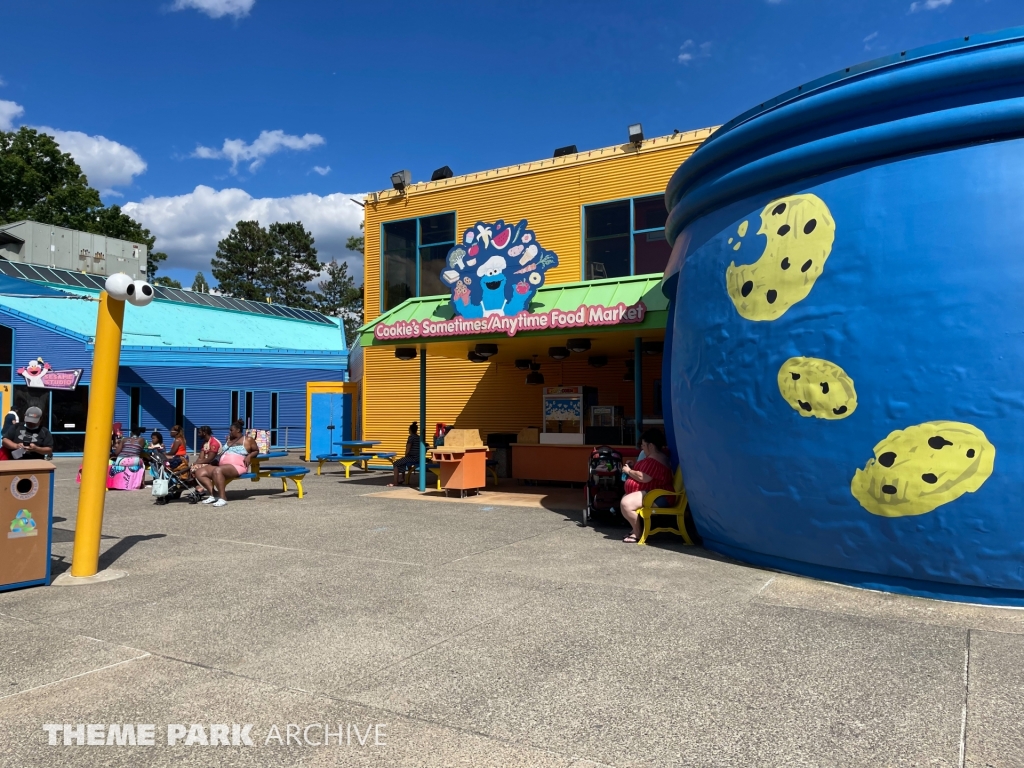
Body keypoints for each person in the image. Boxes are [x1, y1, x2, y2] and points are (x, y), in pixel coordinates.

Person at [619, 429, 675, 544]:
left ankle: (637, 533)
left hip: (659, 496)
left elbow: (643, 477)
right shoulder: (654, 457)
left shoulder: (656, 459)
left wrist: (629, 471)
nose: (642, 447)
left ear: (651, 445)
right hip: (653, 493)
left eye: (644, 445)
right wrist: (633, 466)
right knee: (626, 501)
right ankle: (635, 529)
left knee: (626, 504)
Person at [192, 420, 258, 507]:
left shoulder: (248, 440)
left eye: (231, 430)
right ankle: (214, 494)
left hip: (238, 466)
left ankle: (223, 498)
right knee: (199, 472)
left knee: (217, 471)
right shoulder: (229, 440)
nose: (229, 432)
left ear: (238, 430)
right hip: (223, 466)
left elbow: (256, 450)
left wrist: (249, 456)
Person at [108, 425, 148, 490]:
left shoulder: (124, 439)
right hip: (133, 461)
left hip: (120, 460)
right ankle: (142, 483)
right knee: (142, 463)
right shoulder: (142, 440)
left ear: (131, 432)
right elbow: (140, 450)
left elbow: (117, 453)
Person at [389, 422, 421, 486]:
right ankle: (402, 478)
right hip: (418, 458)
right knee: (403, 461)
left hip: (413, 458)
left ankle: (395, 482)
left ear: (410, 430)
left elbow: (408, 449)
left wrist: (406, 455)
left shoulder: (411, 437)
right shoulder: (418, 437)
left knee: (396, 463)